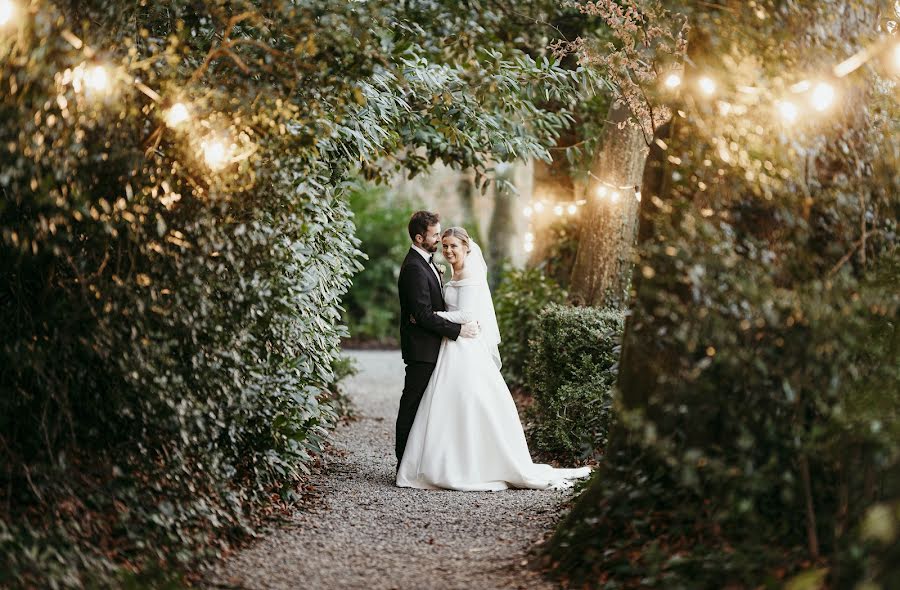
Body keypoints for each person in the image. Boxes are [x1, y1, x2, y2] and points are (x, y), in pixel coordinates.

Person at [396, 226, 592, 491]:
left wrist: (428, 315)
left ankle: (472, 463)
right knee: (445, 404)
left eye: (453, 245)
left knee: (467, 401)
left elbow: (467, 315)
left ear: (466, 247)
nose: (448, 250)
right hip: (450, 345)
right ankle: (441, 460)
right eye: (445, 245)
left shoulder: (473, 276)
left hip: (464, 346)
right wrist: (432, 315)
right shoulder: (448, 273)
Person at [395, 211, 480, 472]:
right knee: (412, 404)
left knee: (427, 408)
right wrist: (457, 330)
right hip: (422, 349)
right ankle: (404, 463)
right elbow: (421, 315)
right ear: (420, 237)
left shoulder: (427, 262)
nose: (439, 240)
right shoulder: (413, 267)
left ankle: (423, 461)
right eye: (435, 236)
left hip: (434, 347)